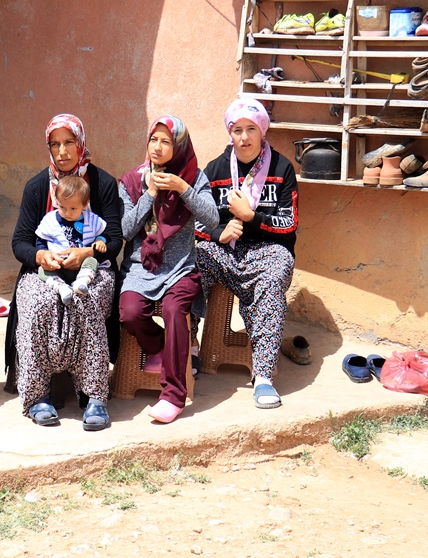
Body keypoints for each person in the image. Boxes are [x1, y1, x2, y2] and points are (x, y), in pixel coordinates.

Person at [7, 113, 124, 430]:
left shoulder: (102, 184)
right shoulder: (36, 188)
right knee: (36, 305)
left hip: (91, 268)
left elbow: (114, 238)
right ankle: (36, 397)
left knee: (85, 302)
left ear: (80, 143)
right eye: (54, 144)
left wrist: (86, 252)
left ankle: (95, 395)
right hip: (46, 271)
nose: (62, 151)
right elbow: (20, 242)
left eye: (68, 142)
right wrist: (41, 255)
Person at [194, 98, 299, 409]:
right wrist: (218, 233)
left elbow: (289, 223)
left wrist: (251, 217)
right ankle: (190, 348)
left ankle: (263, 375)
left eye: (251, 129)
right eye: (237, 129)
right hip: (224, 251)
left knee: (275, 273)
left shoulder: (281, 168)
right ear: (230, 133)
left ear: (262, 130)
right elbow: (198, 220)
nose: (244, 137)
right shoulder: (214, 171)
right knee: (191, 264)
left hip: (268, 251)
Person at [118, 116, 219, 424]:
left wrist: (183, 189)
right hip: (140, 267)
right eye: (153, 140)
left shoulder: (193, 177)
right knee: (130, 311)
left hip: (180, 268)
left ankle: (172, 396)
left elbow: (213, 219)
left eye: (166, 142)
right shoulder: (132, 181)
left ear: (178, 147)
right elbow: (124, 230)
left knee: (176, 311)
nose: (158, 147)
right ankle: (161, 349)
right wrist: (149, 194)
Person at [35, 175, 108, 304]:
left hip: (81, 266)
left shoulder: (92, 220)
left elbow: (105, 232)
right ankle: (61, 288)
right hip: (57, 266)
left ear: (85, 204)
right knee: (42, 270)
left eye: (73, 208)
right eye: (62, 207)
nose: (67, 212)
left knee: (92, 260)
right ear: (57, 201)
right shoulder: (50, 220)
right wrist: (46, 255)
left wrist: (101, 240)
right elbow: (40, 240)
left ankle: (82, 281)